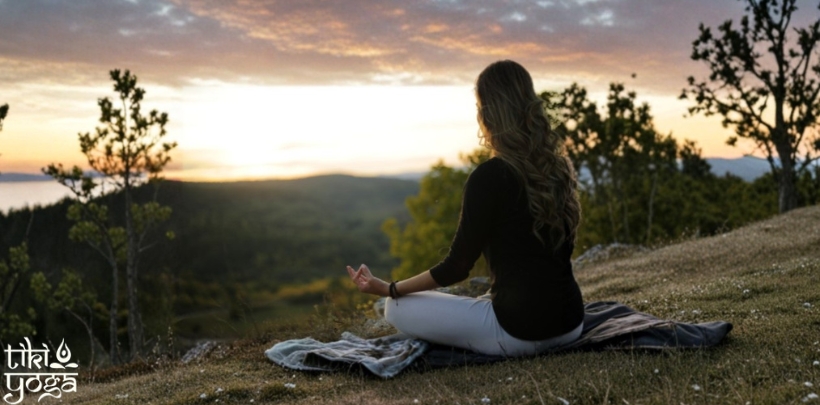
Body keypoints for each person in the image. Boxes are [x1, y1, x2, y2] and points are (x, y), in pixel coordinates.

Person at [346, 60, 584, 357]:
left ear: (487, 114)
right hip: (572, 323)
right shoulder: (558, 167)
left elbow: (456, 267)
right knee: (490, 298)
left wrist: (388, 289)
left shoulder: (489, 177)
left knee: (396, 308)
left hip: (521, 333)